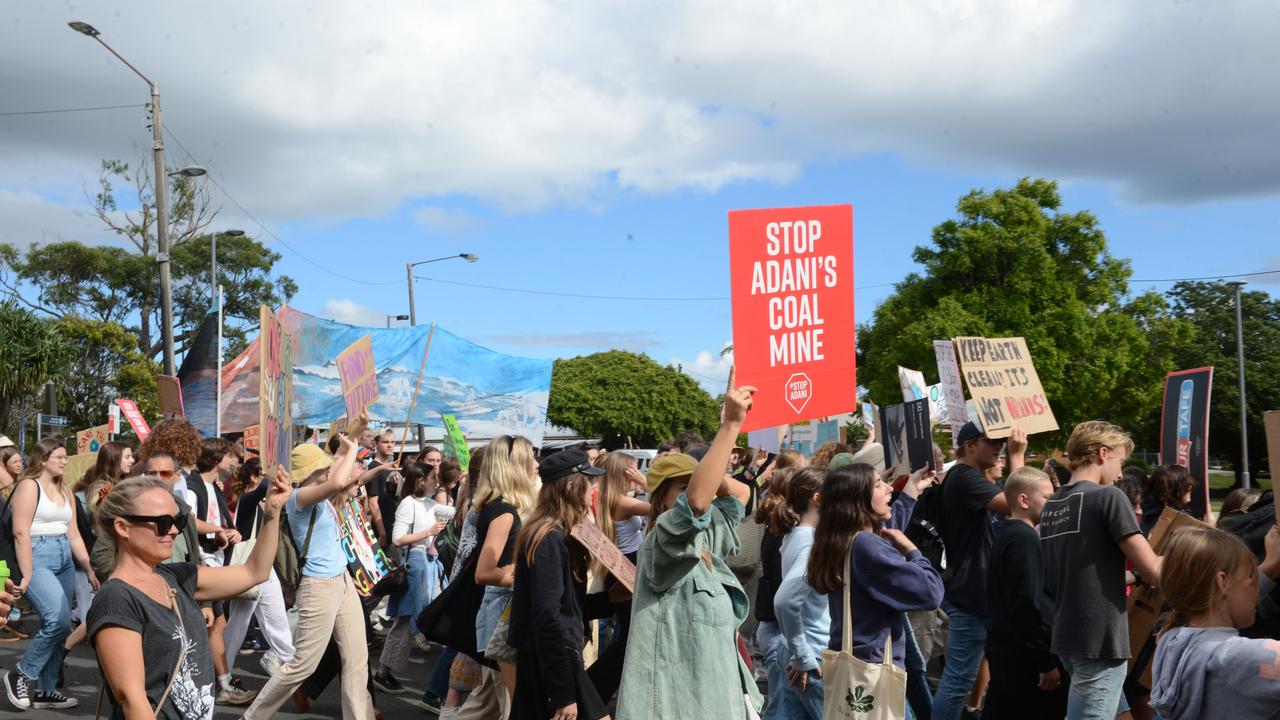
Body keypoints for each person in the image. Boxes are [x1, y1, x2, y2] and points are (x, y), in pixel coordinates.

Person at [615, 372, 764, 719]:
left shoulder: (707, 535)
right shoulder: (663, 539)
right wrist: (729, 426)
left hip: (717, 701)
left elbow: (741, 495)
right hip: (675, 707)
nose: (697, 492)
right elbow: (696, 502)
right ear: (662, 500)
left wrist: (710, 473)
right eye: (679, 487)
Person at [87, 470, 290, 719]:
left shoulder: (178, 576)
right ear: (122, 527)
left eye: (178, 522)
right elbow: (132, 699)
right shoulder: (117, 598)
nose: (173, 530)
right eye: (162, 523)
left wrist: (272, 512)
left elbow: (254, 572)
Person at [241, 435, 377, 720]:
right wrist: (352, 448)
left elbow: (340, 471)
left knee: (357, 660)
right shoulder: (298, 497)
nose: (329, 468)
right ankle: (251, 717)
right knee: (303, 665)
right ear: (312, 472)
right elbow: (338, 480)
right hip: (319, 586)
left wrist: (354, 434)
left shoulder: (321, 493)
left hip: (341, 582)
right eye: (323, 466)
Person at [1040, 421, 1163, 720]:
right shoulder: (1109, 497)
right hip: (1099, 639)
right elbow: (1154, 571)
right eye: (1119, 461)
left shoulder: (1052, 504)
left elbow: (1085, 573)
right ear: (1102, 453)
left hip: (1068, 636)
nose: (1121, 473)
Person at [808, 462, 944, 719]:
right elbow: (930, 592)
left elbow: (884, 542)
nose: (890, 488)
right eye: (879, 484)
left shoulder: (838, 539)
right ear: (858, 498)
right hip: (875, 670)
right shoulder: (866, 545)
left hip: (856, 665)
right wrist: (913, 551)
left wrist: (912, 490)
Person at [508, 449, 610, 720]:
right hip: (553, 660)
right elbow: (547, 617)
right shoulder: (549, 537)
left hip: (552, 656)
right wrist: (562, 693)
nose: (594, 487)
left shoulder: (557, 532)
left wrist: (613, 600)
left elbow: (567, 608)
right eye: (589, 480)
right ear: (572, 486)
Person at [930, 421, 1023, 720]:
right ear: (970, 446)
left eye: (1002, 443)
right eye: (992, 442)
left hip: (978, 594)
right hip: (971, 597)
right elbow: (1016, 504)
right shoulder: (965, 477)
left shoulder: (970, 476)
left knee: (973, 677)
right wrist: (1018, 456)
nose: (999, 448)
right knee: (958, 680)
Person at [3, 437, 99, 710]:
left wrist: (89, 568)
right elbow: (20, 532)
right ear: (43, 459)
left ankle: (45, 690)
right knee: (56, 620)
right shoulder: (28, 486)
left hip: (64, 558)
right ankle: (21, 673)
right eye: (59, 456)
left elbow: (75, 535)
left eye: (65, 457)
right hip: (36, 554)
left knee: (63, 625)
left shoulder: (65, 490)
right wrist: (28, 573)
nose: (64, 461)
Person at [1149, 526, 1280, 720]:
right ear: (1222, 582)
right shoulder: (1243, 656)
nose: (1257, 587)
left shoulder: (1170, 638)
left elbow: (1228, 597)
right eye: (1251, 576)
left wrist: (1271, 563)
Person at [982, 467, 1067, 720]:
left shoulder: (1006, 533)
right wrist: (1045, 662)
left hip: (1008, 650)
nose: (1052, 504)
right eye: (1047, 498)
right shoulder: (1023, 539)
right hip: (1022, 658)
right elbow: (1027, 603)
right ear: (1023, 500)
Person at [374, 462, 446, 693]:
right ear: (420, 480)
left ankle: (385, 671)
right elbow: (397, 539)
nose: (436, 481)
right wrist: (428, 532)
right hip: (415, 563)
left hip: (428, 564)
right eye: (433, 477)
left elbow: (457, 513)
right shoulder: (408, 504)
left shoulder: (430, 504)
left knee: (408, 621)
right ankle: (384, 672)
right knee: (404, 621)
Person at [224, 457, 297, 679]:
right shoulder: (248, 499)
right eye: (266, 476)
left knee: (277, 620)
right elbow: (259, 492)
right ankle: (220, 676)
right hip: (246, 568)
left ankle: (289, 667)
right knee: (237, 625)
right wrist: (271, 474)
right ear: (256, 478)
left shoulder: (270, 501)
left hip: (266, 570)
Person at [586, 451, 649, 701]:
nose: (635, 476)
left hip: (620, 567)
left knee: (628, 635)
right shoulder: (622, 502)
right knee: (629, 637)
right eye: (633, 471)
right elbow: (666, 508)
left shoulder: (610, 497)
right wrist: (646, 482)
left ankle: (594, 691)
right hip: (626, 567)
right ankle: (592, 691)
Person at [65, 440, 136, 652]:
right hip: (106, 553)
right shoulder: (103, 489)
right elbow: (103, 519)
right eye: (127, 456)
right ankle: (65, 648)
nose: (132, 460)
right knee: (101, 610)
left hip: (118, 551)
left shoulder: (122, 484)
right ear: (114, 460)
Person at [772, 466, 829, 719]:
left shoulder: (797, 534)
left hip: (799, 648)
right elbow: (785, 601)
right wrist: (803, 655)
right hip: (813, 653)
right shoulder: (811, 542)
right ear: (817, 498)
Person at [753, 466, 800, 719]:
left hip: (773, 626)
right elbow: (785, 597)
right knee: (781, 705)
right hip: (780, 629)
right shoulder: (785, 530)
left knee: (782, 701)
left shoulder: (777, 523)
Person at [1139, 464, 1194, 535]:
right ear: (1175, 489)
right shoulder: (1180, 519)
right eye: (1186, 483)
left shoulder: (1146, 510)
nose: (1190, 486)